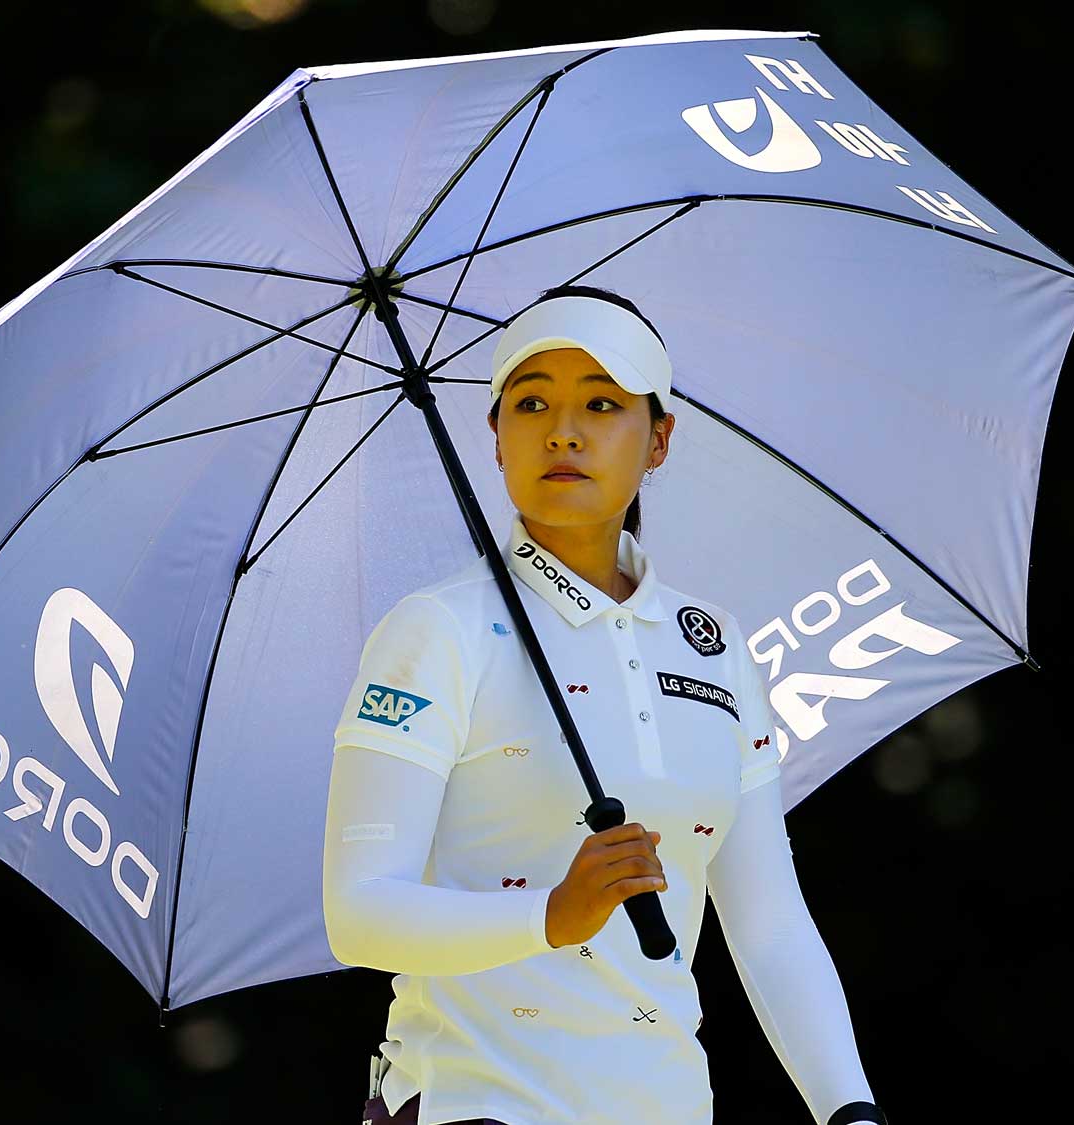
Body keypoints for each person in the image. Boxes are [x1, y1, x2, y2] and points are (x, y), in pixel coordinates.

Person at [321, 285, 887, 1125]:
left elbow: (768, 922)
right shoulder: (436, 629)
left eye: (602, 403)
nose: (563, 429)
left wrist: (849, 1108)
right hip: (472, 1106)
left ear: (659, 438)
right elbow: (359, 915)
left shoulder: (716, 642)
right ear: (496, 434)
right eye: (532, 402)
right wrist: (552, 913)